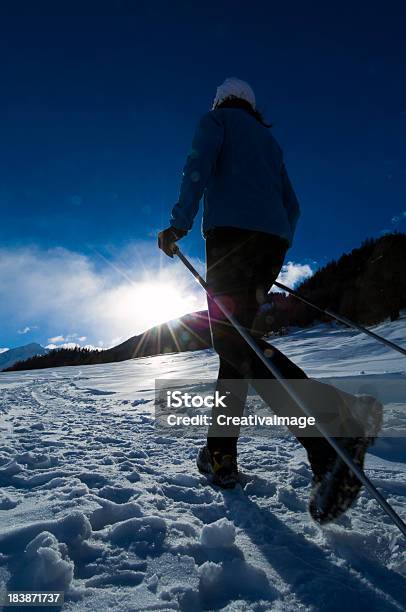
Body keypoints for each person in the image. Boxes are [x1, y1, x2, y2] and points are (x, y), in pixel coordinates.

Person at [158, 77, 382, 524]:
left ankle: (334, 426)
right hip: (269, 245)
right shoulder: (269, 142)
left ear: (222, 100)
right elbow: (292, 206)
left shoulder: (216, 120)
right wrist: (276, 247)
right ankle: (220, 454)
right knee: (235, 351)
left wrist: (178, 223)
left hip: (230, 240)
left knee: (236, 345)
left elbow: (197, 166)